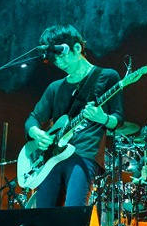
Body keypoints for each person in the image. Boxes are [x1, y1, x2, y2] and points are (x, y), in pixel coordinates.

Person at [25, 24, 125, 209]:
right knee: (43, 214)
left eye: (61, 55)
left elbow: (118, 120)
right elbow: (33, 118)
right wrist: (36, 133)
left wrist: (103, 118)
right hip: (51, 159)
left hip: (84, 154)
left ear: (77, 48)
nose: (59, 63)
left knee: (73, 211)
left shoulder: (107, 77)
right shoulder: (55, 87)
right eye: (54, 60)